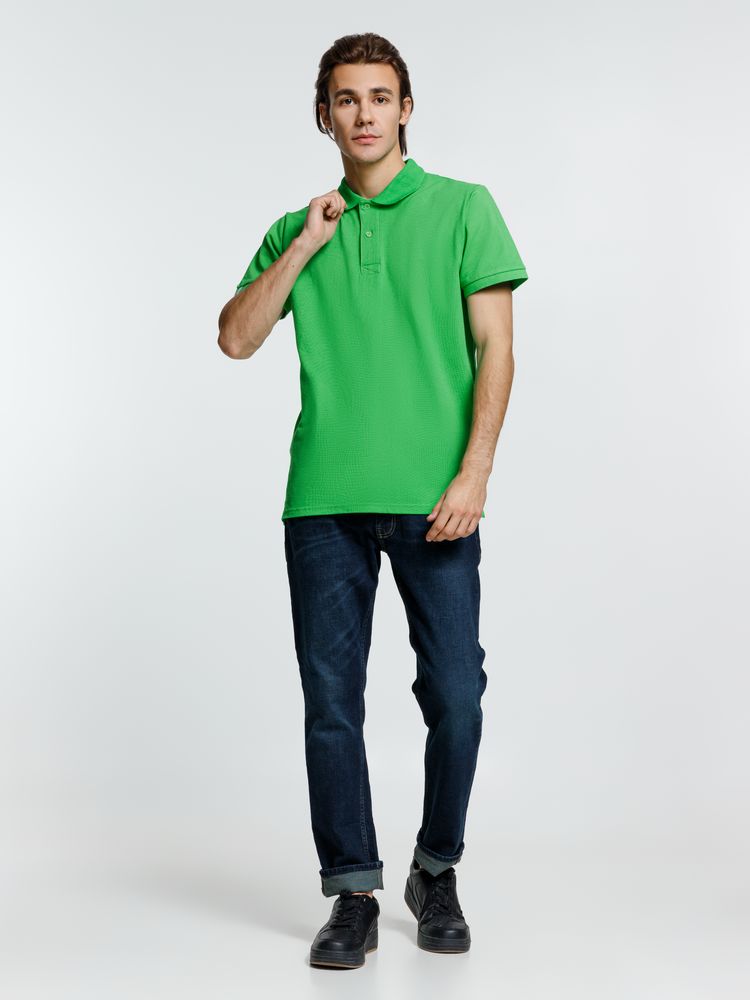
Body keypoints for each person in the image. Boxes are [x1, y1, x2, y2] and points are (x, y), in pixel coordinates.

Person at [217, 31, 528, 970]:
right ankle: (351, 890)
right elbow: (236, 337)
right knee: (330, 702)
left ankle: (436, 868)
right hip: (323, 500)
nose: (364, 114)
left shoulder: (465, 209)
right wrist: (306, 243)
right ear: (325, 115)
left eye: (380, 96)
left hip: (439, 499)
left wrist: (474, 473)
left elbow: (498, 349)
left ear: (406, 108)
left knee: (458, 695)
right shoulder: (297, 226)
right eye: (346, 99)